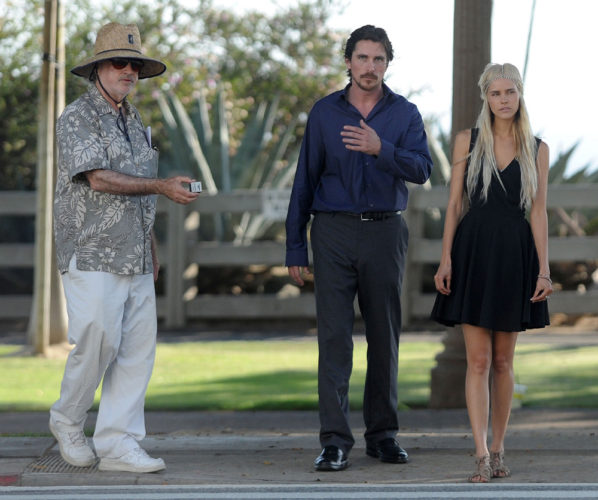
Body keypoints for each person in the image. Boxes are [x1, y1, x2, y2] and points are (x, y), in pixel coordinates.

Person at [51, 22, 199, 473]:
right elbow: (98, 178)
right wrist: (160, 185)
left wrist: (150, 244)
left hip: (134, 253)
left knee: (137, 350)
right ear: (97, 68)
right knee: (97, 339)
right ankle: (68, 420)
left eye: (135, 64)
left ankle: (118, 445)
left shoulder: (133, 120)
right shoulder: (77, 117)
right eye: (119, 62)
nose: (129, 71)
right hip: (91, 250)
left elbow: (139, 194)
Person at [285, 25, 432, 472]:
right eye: (362, 58)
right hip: (331, 232)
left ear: (388, 64)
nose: (370, 67)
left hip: (385, 232)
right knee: (333, 338)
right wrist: (295, 247)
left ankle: (383, 435)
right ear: (348, 61)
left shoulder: (405, 114)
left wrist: (381, 148)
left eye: (378, 59)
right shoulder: (325, 113)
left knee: (384, 336)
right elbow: (304, 180)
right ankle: (334, 441)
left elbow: (422, 169)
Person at [431, 63, 552, 482]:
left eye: (510, 92)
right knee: (478, 360)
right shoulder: (468, 141)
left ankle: (499, 448)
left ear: (520, 95)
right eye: (496, 93)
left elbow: (539, 212)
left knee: (503, 361)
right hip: (473, 254)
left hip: (515, 256)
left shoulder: (537, 148)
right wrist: (446, 258)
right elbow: (454, 205)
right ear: (486, 97)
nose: (504, 100)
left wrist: (544, 270)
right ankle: (480, 453)